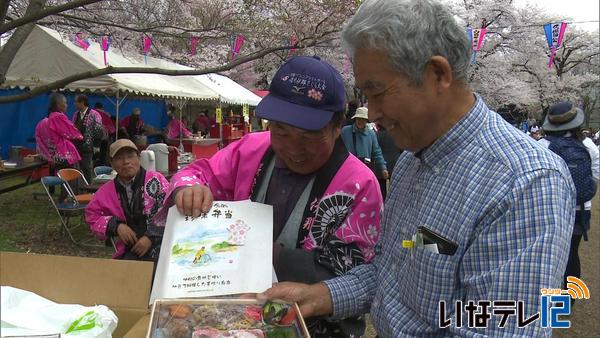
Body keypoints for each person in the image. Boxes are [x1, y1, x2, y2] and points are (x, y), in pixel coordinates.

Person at [260, 1, 575, 336]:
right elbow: (390, 269)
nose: (373, 113)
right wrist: (320, 295)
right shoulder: (412, 161)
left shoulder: (523, 183)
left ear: (438, 74)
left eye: (377, 93)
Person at [161, 56, 384, 337]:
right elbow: (198, 173)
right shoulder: (250, 149)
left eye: (309, 136)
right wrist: (189, 189)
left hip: (317, 326)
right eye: (281, 131)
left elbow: (356, 276)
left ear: (337, 126)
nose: (293, 148)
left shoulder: (360, 185)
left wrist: (258, 253)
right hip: (239, 317)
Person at [538, 102, 599, 291]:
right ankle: (569, 297)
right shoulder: (588, 145)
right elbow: (595, 176)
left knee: (549, 254)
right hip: (580, 208)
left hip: (550, 208)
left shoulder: (542, 144)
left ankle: (549, 294)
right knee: (572, 253)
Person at [85, 139, 169, 265]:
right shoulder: (106, 192)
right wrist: (116, 225)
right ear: (111, 164)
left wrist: (150, 237)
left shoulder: (156, 181)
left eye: (130, 156)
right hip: (131, 250)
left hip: (162, 245)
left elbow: (169, 208)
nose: (126, 162)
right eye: (119, 158)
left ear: (139, 158)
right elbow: (91, 216)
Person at [35, 93, 83, 200]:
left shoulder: (44, 121)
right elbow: (73, 132)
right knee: (72, 180)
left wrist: (48, 156)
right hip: (66, 155)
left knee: (64, 181)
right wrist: (79, 135)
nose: (67, 105)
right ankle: (70, 205)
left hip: (56, 156)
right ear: (58, 105)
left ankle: (64, 203)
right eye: (65, 103)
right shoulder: (58, 116)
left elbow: (40, 141)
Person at [341, 106, 388, 184]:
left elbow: (377, 152)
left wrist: (383, 168)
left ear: (366, 121)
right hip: (348, 168)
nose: (360, 121)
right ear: (355, 119)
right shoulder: (345, 131)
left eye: (363, 119)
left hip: (365, 169)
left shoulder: (371, 134)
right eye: (359, 118)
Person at [72, 94, 106, 181]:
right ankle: (79, 187)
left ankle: (89, 188)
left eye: (76, 102)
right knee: (77, 169)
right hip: (76, 146)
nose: (74, 104)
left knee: (87, 168)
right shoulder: (76, 114)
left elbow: (99, 130)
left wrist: (96, 146)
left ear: (82, 102)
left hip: (88, 146)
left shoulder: (94, 114)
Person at [376, 124, 403, 198]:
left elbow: (375, 150)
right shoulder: (395, 135)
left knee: (382, 190)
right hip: (395, 163)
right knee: (395, 188)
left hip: (382, 166)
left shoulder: (378, 135)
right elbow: (402, 149)